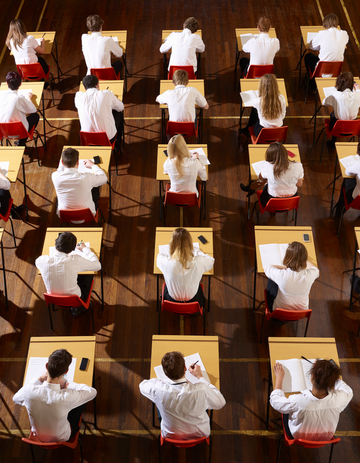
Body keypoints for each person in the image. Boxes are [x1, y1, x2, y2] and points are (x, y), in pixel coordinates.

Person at [13, 349, 97, 442]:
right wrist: (68, 385)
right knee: (80, 403)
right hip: (62, 437)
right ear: (66, 371)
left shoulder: (27, 392)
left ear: (46, 366)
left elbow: (15, 398)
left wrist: (40, 378)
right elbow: (92, 392)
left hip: (38, 436)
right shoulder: (67, 397)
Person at [139, 351, 225, 439]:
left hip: (170, 435)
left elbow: (142, 385)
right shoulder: (202, 390)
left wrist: (164, 381)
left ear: (165, 373)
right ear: (185, 368)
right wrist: (199, 376)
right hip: (199, 434)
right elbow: (220, 402)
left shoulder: (157, 389)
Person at [270, 360, 352, 441]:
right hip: (325, 438)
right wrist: (330, 375)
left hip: (297, 436)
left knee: (286, 410)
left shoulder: (298, 400)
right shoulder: (339, 399)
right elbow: (349, 391)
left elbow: (275, 401)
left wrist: (279, 378)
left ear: (312, 377)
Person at [35, 231, 101, 316]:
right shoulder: (74, 260)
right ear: (72, 250)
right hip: (77, 299)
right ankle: (78, 308)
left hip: (54, 299)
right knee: (89, 273)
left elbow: (37, 262)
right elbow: (98, 266)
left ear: (56, 244)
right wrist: (85, 248)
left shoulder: (42, 260)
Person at [157, 228, 214, 306]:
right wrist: (197, 251)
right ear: (189, 244)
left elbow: (159, 257)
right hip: (194, 301)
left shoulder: (166, 262)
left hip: (171, 301)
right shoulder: (199, 261)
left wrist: (172, 252)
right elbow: (211, 261)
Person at [52, 147, 107, 220]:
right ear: (78, 162)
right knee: (96, 187)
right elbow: (104, 178)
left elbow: (59, 170)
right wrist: (93, 165)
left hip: (65, 215)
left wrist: (64, 162)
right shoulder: (86, 178)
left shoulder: (55, 176)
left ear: (62, 163)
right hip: (87, 214)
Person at [264, 241, 319, 312]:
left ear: (287, 257)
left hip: (279, 311)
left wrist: (285, 268)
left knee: (271, 279)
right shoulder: (309, 275)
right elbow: (315, 269)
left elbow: (267, 268)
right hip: (301, 312)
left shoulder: (281, 275)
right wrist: (302, 259)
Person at [75, 74, 124, 152]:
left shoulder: (78, 97)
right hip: (108, 139)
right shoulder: (107, 94)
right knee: (119, 114)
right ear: (98, 84)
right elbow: (121, 107)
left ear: (84, 88)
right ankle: (117, 145)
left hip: (88, 140)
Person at [305, 14, 349, 84]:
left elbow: (311, 46)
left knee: (308, 57)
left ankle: (313, 84)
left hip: (322, 69)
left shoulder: (322, 34)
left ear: (324, 24)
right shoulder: (344, 34)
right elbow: (346, 41)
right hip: (336, 69)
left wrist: (321, 47)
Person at [0, 71, 39, 146]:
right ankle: (21, 142)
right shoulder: (19, 98)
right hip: (20, 132)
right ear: (20, 84)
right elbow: (33, 110)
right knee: (35, 116)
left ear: (6, 83)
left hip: (3, 132)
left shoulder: (0, 94)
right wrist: (28, 98)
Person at [240, 74, 286, 138]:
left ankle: (248, 129)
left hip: (262, 133)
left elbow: (253, 103)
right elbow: (283, 116)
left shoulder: (258, 101)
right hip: (278, 133)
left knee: (254, 111)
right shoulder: (282, 98)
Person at [334, 142, 360, 217]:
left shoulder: (358, 165)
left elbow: (347, 172)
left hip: (355, 200)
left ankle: (339, 211)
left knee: (346, 179)